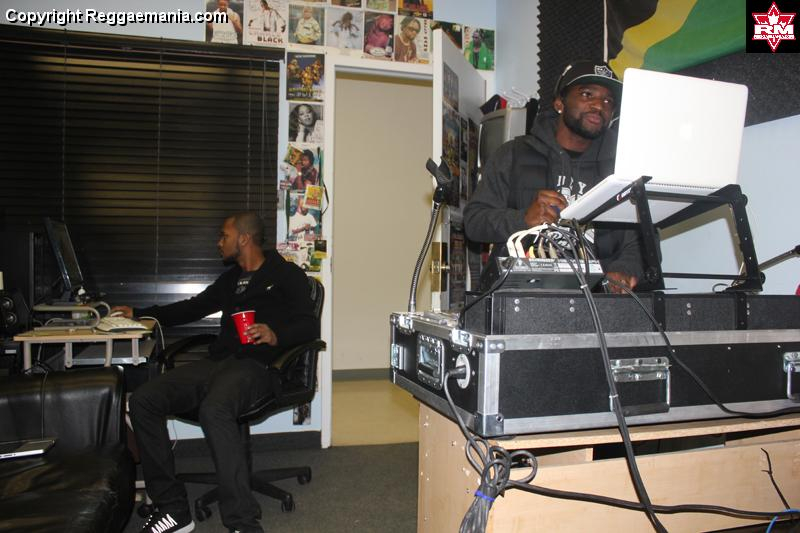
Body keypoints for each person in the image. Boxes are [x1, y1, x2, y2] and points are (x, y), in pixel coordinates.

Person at [116, 212, 319, 533]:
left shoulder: (286, 274)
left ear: (244, 238)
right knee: (143, 400)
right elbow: (192, 307)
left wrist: (275, 334)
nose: (219, 242)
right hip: (217, 363)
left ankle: (242, 523)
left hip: (259, 367)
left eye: (224, 235)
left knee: (215, 409)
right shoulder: (231, 280)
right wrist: (140, 313)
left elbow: (309, 326)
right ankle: (173, 510)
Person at [463, 60, 644, 293]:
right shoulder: (513, 154)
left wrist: (623, 270)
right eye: (587, 94)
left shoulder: (622, 168)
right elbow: (474, 222)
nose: (599, 105)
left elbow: (642, 240)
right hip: (522, 299)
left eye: (608, 101)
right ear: (560, 103)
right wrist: (523, 219)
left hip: (597, 302)